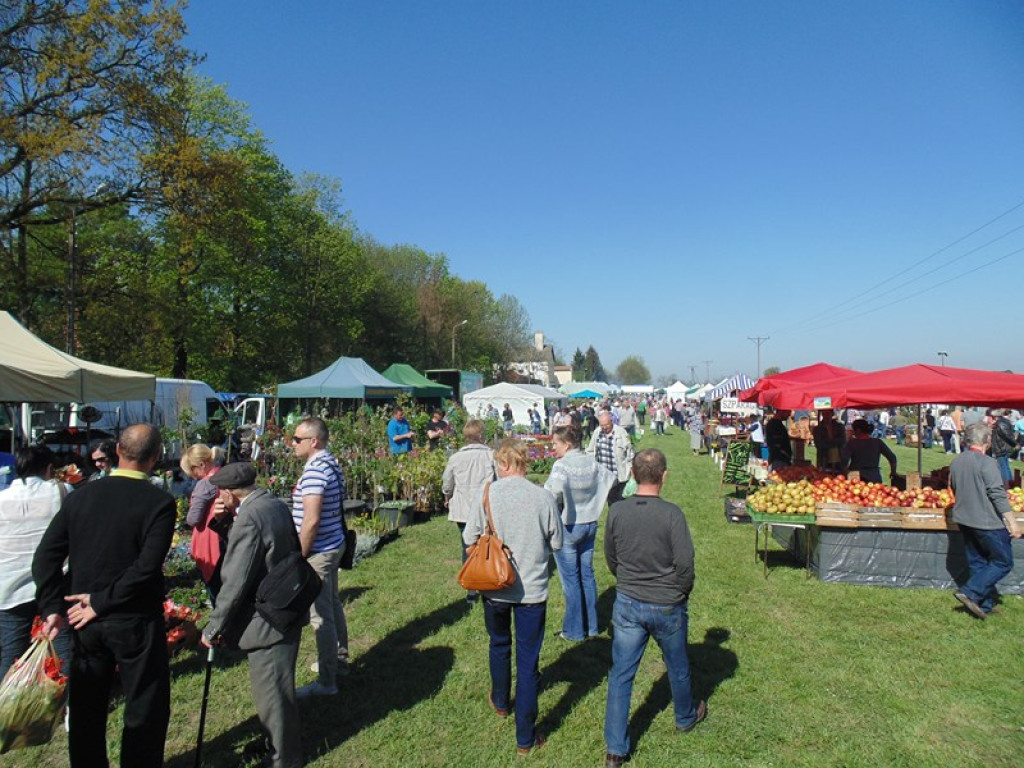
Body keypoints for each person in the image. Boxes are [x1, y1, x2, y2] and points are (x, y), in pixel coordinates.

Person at [33, 424, 176, 768]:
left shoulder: (81, 495)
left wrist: (53, 606)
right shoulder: (158, 501)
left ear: (117, 453)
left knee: (87, 709)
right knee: (144, 706)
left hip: (86, 617)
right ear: (155, 457)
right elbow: (146, 567)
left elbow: (45, 558)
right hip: (131, 619)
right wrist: (94, 602)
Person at [603, 449, 705, 766]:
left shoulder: (617, 512)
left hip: (630, 603)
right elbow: (685, 565)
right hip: (666, 604)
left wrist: (629, 581)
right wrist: (679, 591)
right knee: (677, 665)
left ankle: (615, 749)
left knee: (621, 674)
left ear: (632, 475)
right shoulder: (672, 514)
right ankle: (685, 716)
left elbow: (611, 557)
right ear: (664, 476)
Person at [463, 439, 562, 756]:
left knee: (499, 643)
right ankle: (525, 737)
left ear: (504, 464)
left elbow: (469, 538)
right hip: (532, 590)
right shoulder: (542, 497)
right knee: (528, 661)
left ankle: (502, 701)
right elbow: (557, 541)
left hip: (494, 586)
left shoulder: (488, 494)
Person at [201, 462, 303, 768]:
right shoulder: (271, 502)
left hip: (267, 618)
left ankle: (283, 759)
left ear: (229, 492)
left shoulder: (249, 517)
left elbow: (236, 579)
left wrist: (213, 627)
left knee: (272, 694)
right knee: (277, 688)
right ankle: (277, 743)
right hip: (286, 604)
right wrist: (225, 521)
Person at [0, 446, 73, 680]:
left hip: (9, 584)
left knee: (11, 652)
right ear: (49, 468)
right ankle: (70, 705)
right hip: (55, 580)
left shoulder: (2, 499)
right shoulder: (62, 491)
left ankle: (6, 705)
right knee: (63, 648)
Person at [291, 417, 349, 696]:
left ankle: (327, 681)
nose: (292, 444)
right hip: (333, 543)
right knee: (332, 603)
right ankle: (337, 659)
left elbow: (311, 521)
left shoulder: (315, 471)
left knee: (321, 616)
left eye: (296, 439)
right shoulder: (330, 463)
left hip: (319, 550)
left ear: (313, 441)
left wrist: (299, 556)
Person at [544, 425, 615, 641]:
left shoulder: (561, 465)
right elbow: (609, 479)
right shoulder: (590, 461)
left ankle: (574, 631)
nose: (552, 447)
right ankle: (592, 626)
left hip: (568, 526)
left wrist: (553, 499)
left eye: (555, 443)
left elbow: (553, 491)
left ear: (566, 444)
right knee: (587, 575)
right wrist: (594, 502)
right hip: (589, 523)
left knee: (571, 580)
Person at [949, 422, 1022, 619]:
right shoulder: (988, 463)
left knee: (978, 561)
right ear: (987, 441)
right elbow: (997, 494)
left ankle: (984, 604)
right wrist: (1012, 523)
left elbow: (954, 489)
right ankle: (971, 591)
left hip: (965, 519)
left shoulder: (957, 462)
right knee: (1003, 562)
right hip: (987, 522)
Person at [442, 419, 496, 603]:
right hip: (486, 507)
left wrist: (447, 495)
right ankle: (490, 580)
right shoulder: (491, 456)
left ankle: (472, 589)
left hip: (463, 509)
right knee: (488, 545)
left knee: (467, 546)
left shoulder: (455, 458)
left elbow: (447, 482)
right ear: (481, 435)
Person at [180, 443, 228, 599]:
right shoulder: (224, 474)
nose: (192, 476)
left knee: (216, 590)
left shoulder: (205, 484)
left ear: (201, 465)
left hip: (211, 540)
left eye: (192, 470)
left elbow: (193, 519)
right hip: (227, 535)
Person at [586, 410, 635, 506]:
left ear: (611, 421)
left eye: (606, 425)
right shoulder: (597, 433)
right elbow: (590, 451)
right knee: (611, 503)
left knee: (622, 503)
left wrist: (630, 468)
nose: (604, 428)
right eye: (602, 425)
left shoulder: (621, 432)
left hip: (620, 476)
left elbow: (630, 452)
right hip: (605, 477)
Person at [841, 419, 897, 484]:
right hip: (874, 476)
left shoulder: (852, 443)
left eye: (853, 430)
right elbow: (892, 458)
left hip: (856, 477)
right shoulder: (878, 442)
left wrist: (846, 474)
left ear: (858, 430)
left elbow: (844, 462)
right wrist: (893, 472)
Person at [985, 408, 1017, 488]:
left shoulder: (1000, 424)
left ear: (995, 416)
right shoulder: (1003, 422)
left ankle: (1006, 485)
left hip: (1001, 448)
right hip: (1003, 447)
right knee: (1006, 466)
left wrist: (1014, 444)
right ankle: (1010, 483)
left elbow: (1007, 436)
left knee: (1003, 467)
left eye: (992, 416)